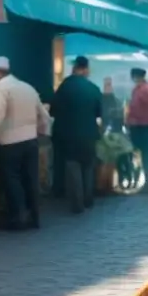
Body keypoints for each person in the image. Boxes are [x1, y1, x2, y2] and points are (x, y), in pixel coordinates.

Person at [0, 56, 50, 230]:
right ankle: (34, 217)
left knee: (12, 180)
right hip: (31, 141)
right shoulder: (27, 87)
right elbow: (43, 115)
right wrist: (42, 132)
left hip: (9, 142)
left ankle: (18, 218)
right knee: (30, 179)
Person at [50, 56, 103, 213]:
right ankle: (88, 199)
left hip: (68, 135)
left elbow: (53, 110)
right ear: (85, 69)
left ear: (74, 69)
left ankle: (77, 203)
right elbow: (99, 112)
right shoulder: (93, 88)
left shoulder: (65, 86)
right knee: (88, 166)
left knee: (73, 166)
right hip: (89, 134)